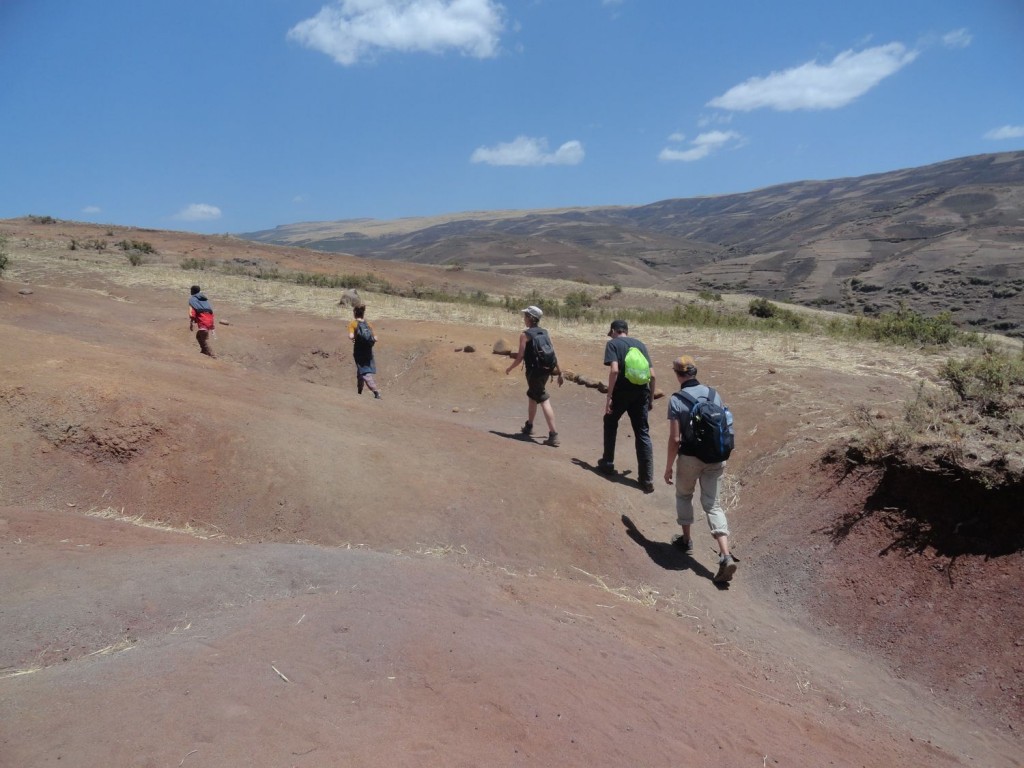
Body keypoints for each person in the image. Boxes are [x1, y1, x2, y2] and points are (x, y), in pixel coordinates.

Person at [664, 354, 737, 584]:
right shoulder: (715, 395)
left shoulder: (676, 400)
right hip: (716, 458)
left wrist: (668, 467)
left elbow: (675, 439)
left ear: (678, 374)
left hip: (690, 458)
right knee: (712, 505)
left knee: (684, 495)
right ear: (695, 372)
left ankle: (686, 541)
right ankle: (725, 555)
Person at [598, 319, 655, 493]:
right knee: (642, 433)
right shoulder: (640, 345)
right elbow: (652, 375)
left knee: (610, 421)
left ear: (614, 330)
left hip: (622, 392)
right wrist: (650, 398)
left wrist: (609, 396)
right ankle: (646, 479)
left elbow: (614, 370)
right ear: (627, 331)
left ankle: (608, 463)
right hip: (642, 393)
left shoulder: (613, 344)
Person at [505, 305, 563, 447]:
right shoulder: (545, 332)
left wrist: (510, 368)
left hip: (534, 372)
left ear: (530, 318)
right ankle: (529, 426)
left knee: (543, 398)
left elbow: (520, 357)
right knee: (532, 395)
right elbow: (553, 354)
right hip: (546, 370)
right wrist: (560, 373)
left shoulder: (525, 335)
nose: (524, 318)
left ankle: (553, 435)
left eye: (525, 316)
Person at [347, 304, 381, 399]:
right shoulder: (368, 324)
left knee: (365, 372)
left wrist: (353, 337)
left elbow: (351, 336)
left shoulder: (353, 324)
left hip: (359, 350)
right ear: (363, 313)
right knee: (360, 370)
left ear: (354, 313)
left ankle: (376, 392)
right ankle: (359, 391)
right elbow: (376, 338)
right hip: (368, 351)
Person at [188, 285, 216, 357]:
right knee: (199, 336)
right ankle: (204, 350)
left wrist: (191, 323)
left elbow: (192, 313)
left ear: (192, 291)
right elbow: (211, 311)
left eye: (191, 290)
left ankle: (212, 355)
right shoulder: (204, 299)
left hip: (203, 321)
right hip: (210, 320)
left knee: (204, 339)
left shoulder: (192, 300)